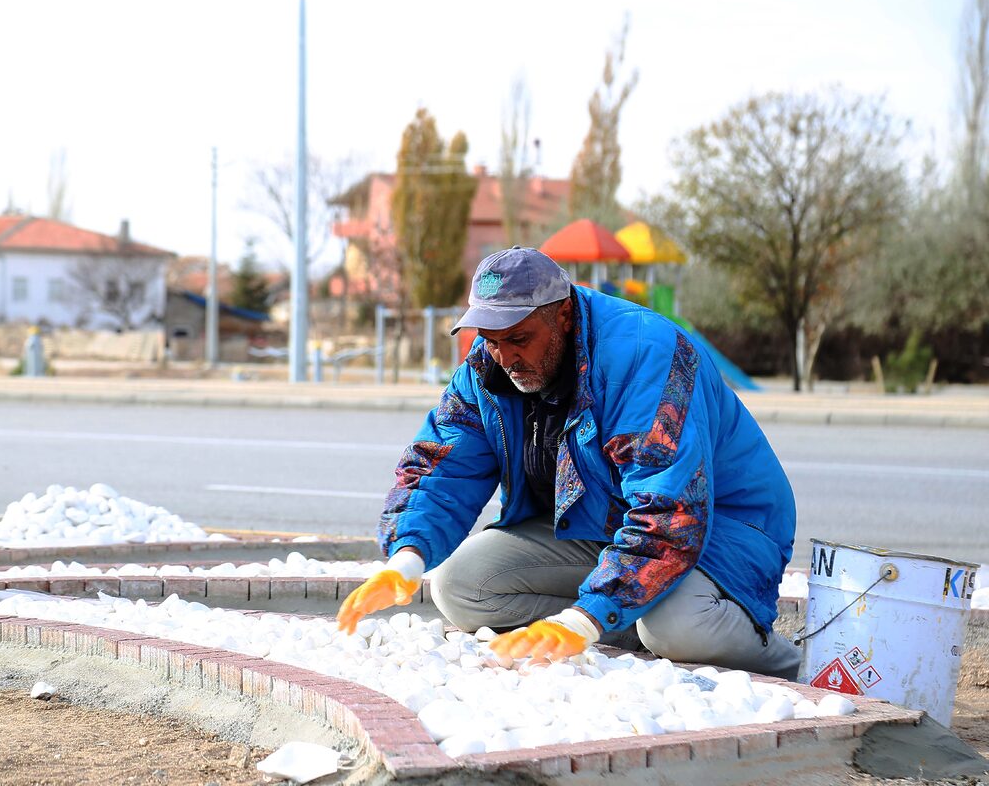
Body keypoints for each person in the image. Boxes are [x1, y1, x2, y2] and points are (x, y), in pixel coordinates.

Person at [337, 246, 800, 680]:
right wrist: (407, 557)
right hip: (601, 527)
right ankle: (625, 621)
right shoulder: (488, 366)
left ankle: (793, 663)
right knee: (459, 586)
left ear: (562, 313)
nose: (505, 357)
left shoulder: (643, 354)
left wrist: (584, 619)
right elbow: (442, 465)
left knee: (676, 628)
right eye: (490, 340)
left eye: (519, 338)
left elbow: (671, 512)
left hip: (721, 529)